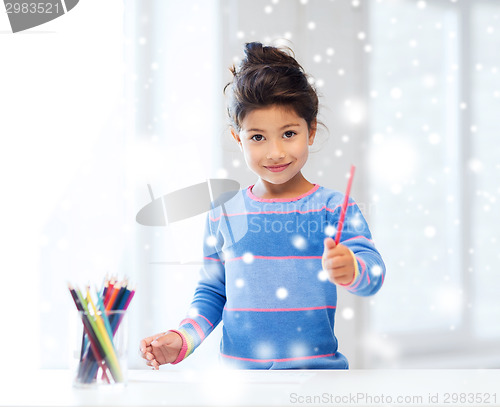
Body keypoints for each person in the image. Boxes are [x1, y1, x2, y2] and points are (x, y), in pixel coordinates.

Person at [140, 42, 385, 369]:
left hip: (316, 381)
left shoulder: (334, 207)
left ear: (310, 131)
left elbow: (374, 274)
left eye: (288, 133)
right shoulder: (223, 212)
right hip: (241, 386)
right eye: (258, 137)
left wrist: (353, 268)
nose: (275, 152)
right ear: (237, 138)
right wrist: (185, 338)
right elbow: (213, 292)